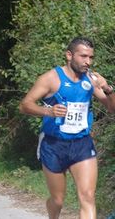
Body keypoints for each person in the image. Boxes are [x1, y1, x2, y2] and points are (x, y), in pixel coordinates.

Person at [19, 37, 115, 219]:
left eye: (91, 57)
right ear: (69, 55)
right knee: (58, 200)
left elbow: (112, 108)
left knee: (87, 197)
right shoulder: (51, 79)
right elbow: (24, 105)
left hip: (82, 144)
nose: (88, 61)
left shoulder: (91, 79)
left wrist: (108, 88)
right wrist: (48, 112)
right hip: (54, 145)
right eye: (83, 56)